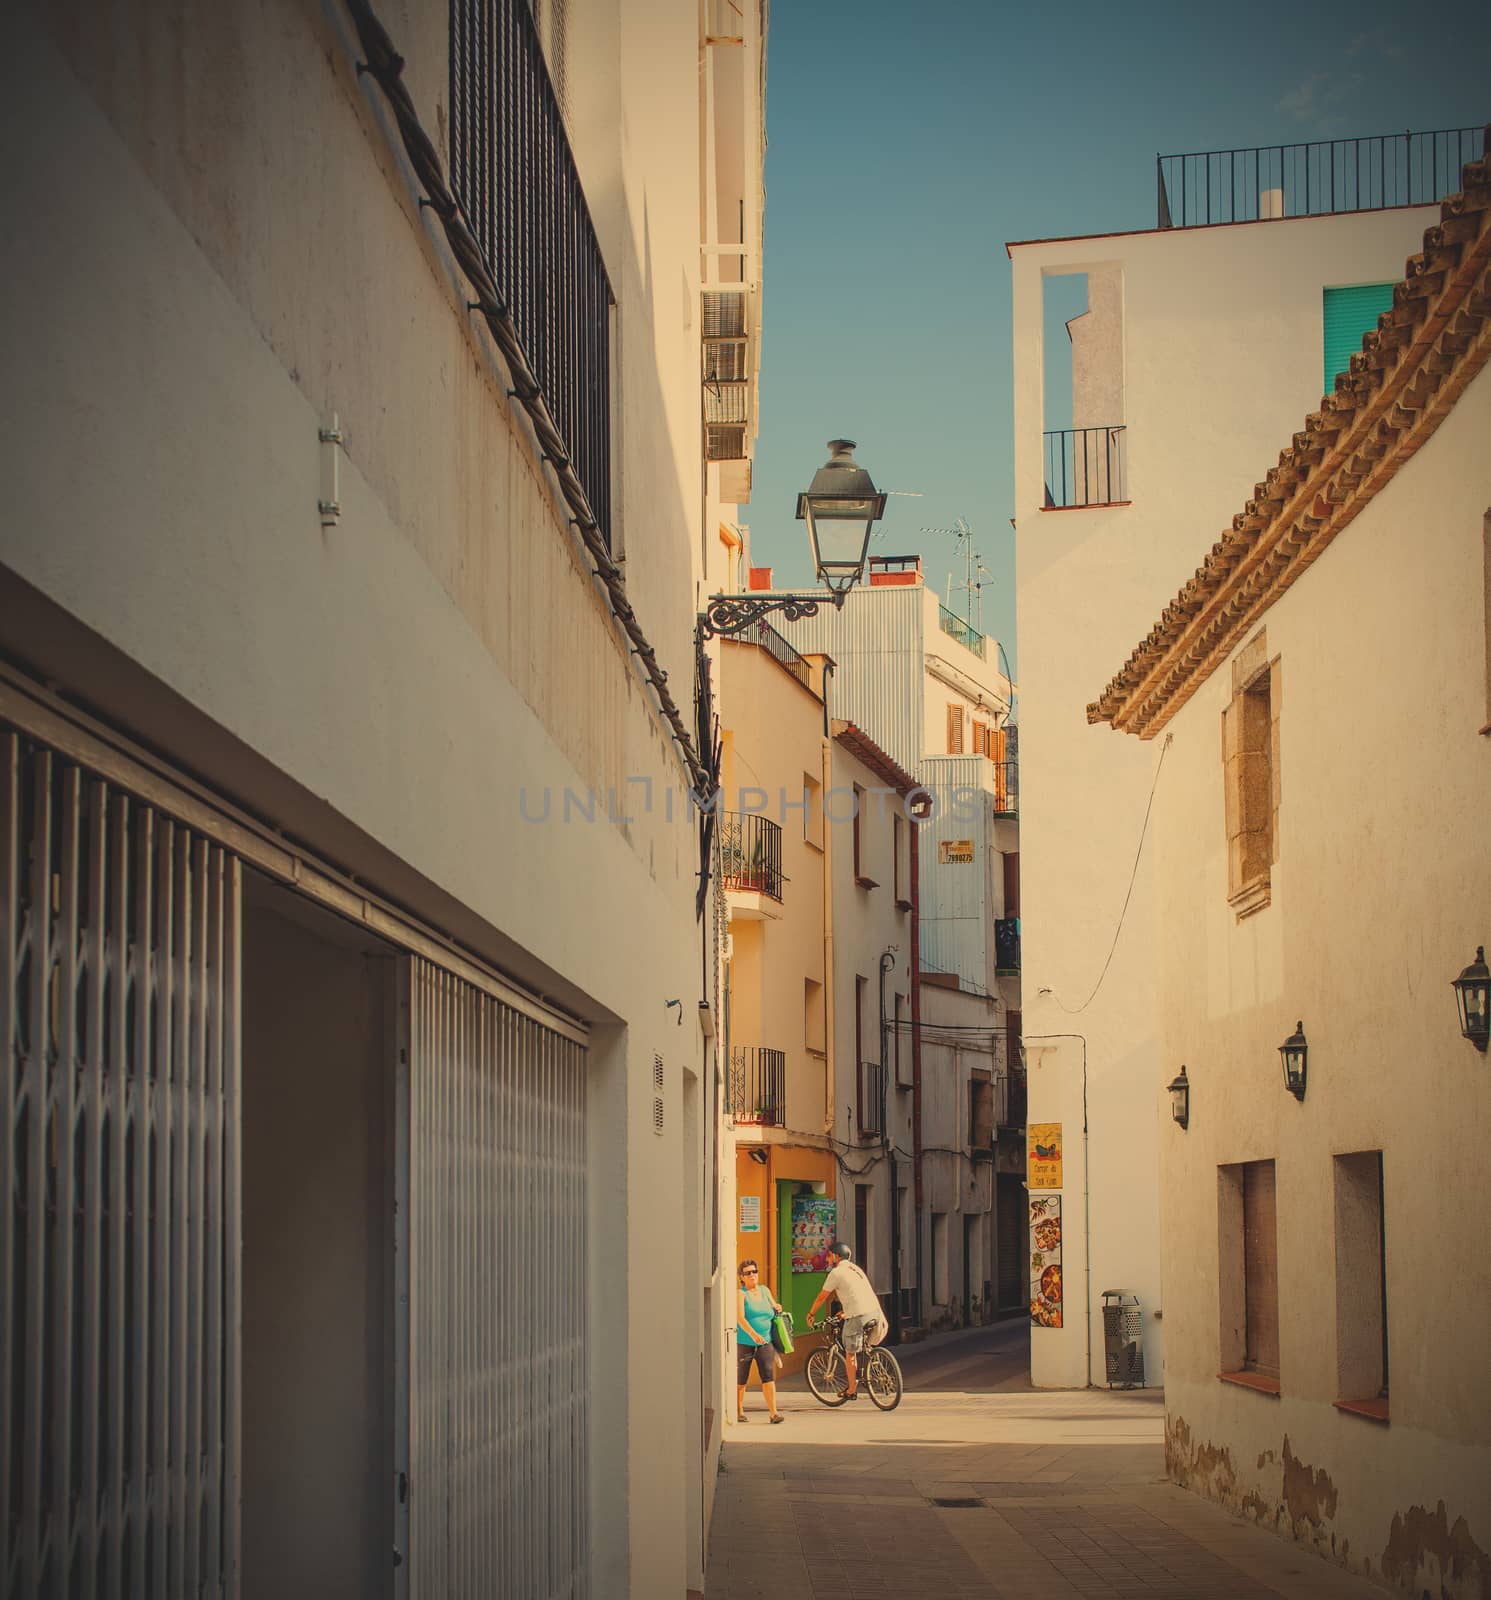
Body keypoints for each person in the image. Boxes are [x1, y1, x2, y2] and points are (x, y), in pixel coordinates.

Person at [806, 1240, 881, 1400]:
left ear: (836, 1256)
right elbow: (855, 1293)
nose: (827, 1259)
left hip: (858, 1315)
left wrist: (811, 1313)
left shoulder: (836, 1273)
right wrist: (844, 1312)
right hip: (873, 1311)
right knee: (861, 1343)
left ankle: (852, 1390)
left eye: (829, 1256)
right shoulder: (855, 1269)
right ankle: (872, 1361)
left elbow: (822, 1296)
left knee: (850, 1353)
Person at [736, 1259, 785, 1423]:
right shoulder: (741, 1294)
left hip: (766, 1341)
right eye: (747, 1273)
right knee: (741, 1379)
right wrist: (752, 1334)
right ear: (741, 1277)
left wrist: (778, 1307)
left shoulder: (764, 1290)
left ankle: (774, 1413)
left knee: (768, 1375)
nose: (752, 1275)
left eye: (754, 1271)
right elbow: (740, 1318)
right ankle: (739, 1411)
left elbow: (774, 1307)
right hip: (745, 1343)